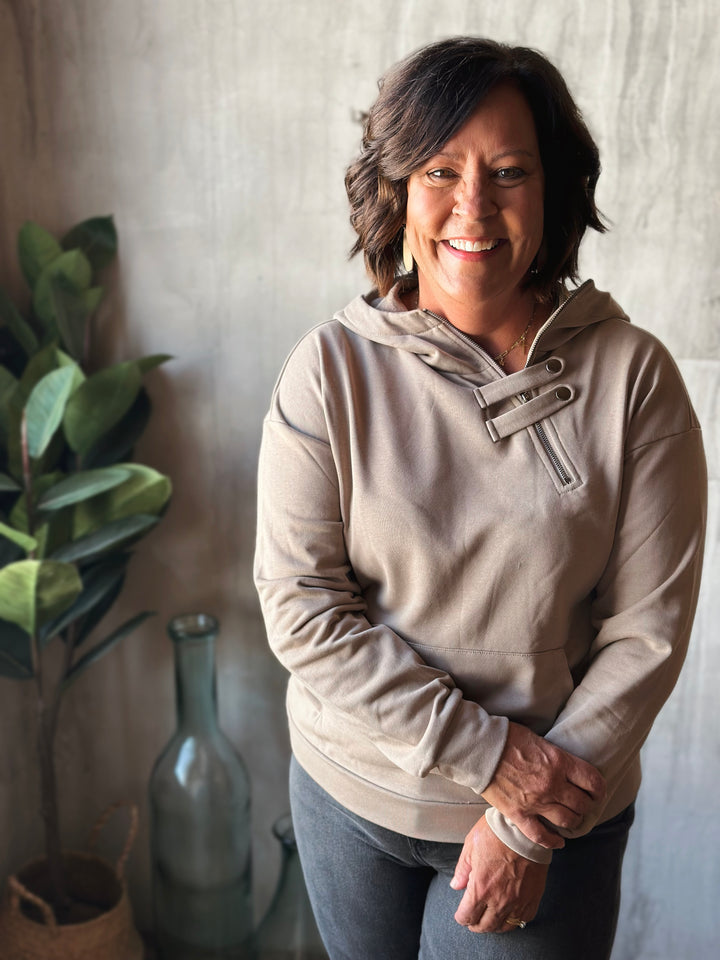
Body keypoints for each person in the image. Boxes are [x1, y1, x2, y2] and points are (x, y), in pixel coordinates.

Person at [254, 37, 707, 960]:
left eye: (509, 172)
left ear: (553, 190)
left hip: (552, 821)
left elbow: (647, 637)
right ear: (397, 189)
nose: (474, 206)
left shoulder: (635, 379)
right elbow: (302, 607)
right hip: (352, 796)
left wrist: (523, 825)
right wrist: (490, 756)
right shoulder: (328, 371)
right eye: (439, 171)